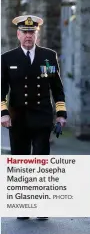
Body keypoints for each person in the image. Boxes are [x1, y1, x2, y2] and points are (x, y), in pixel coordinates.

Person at [1, 15, 67, 220]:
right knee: (21, 161)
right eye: (25, 32)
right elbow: (1, 89)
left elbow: (57, 88)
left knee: (40, 159)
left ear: (36, 34)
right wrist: (3, 113)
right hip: (18, 117)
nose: (28, 36)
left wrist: (61, 114)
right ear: (18, 34)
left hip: (42, 116)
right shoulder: (7, 58)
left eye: (32, 32)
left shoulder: (48, 56)